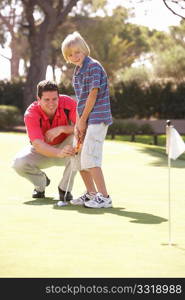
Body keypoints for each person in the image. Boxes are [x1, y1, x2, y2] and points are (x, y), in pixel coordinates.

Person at [61, 31, 113, 208]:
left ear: (84, 49)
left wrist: (83, 120)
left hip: (97, 119)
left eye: (77, 51)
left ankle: (104, 197)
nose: (74, 56)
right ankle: (91, 194)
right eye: (70, 54)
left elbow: (92, 94)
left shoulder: (93, 66)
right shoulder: (77, 72)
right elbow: (80, 100)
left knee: (90, 157)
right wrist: (77, 124)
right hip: (84, 119)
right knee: (79, 157)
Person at [12, 80, 77, 201]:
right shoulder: (31, 113)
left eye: (54, 99)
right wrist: (58, 153)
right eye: (47, 100)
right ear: (39, 99)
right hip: (43, 151)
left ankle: (64, 189)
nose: (51, 103)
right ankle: (40, 184)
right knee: (18, 163)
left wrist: (62, 128)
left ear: (59, 97)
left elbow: (83, 127)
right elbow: (38, 144)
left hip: (66, 148)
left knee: (79, 140)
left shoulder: (67, 102)